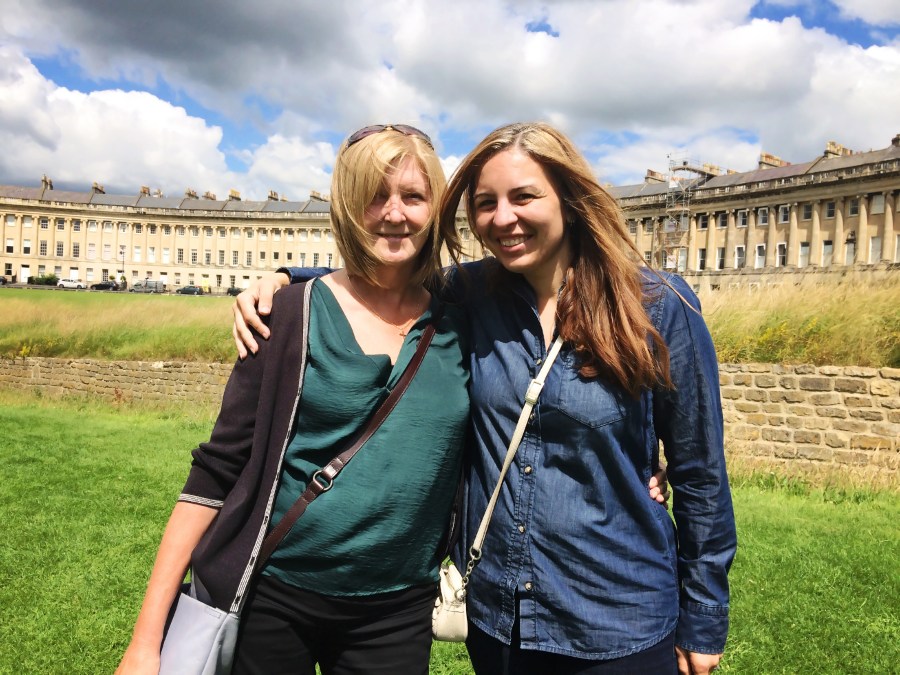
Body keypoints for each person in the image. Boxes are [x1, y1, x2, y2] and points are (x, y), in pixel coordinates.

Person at [234, 123, 732, 674]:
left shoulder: (657, 307)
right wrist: (284, 279)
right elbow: (383, 279)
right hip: (499, 618)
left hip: (616, 617)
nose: (503, 218)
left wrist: (704, 616)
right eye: (486, 203)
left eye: (524, 197)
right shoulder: (471, 293)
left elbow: (701, 475)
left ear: (569, 200)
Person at [116, 124, 472, 675]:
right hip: (274, 596)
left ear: (437, 208)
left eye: (412, 196)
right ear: (347, 205)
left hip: (398, 609)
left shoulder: (464, 319)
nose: (394, 213)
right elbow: (214, 474)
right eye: (374, 195)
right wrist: (145, 642)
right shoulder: (285, 315)